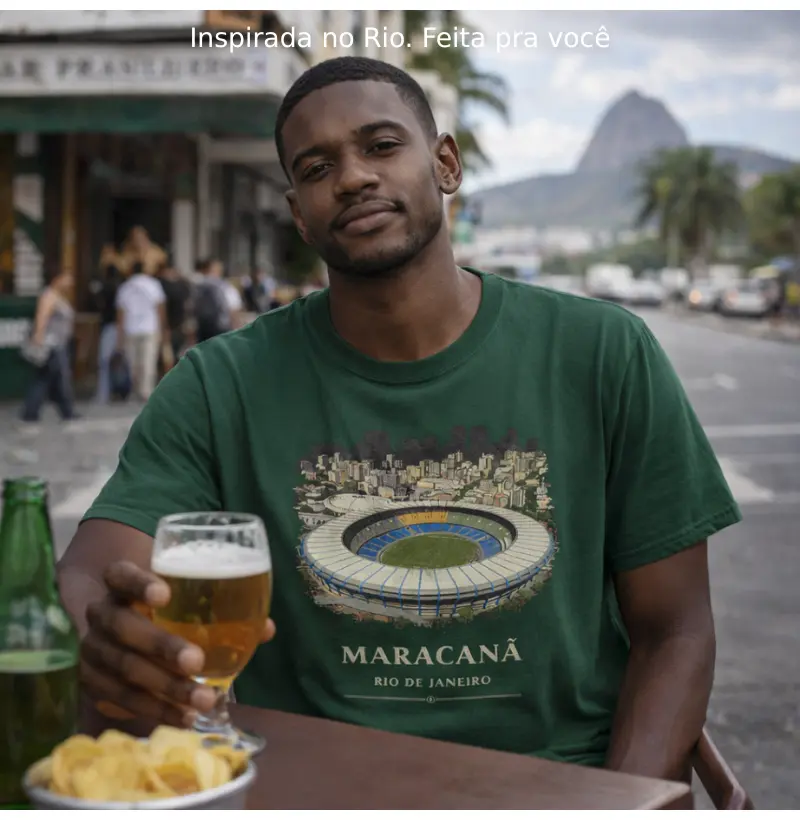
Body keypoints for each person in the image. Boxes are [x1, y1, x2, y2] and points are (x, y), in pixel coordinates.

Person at [58, 57, 741, 791]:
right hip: (307, 792)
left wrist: (617, 806)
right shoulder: (219, 383)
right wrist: (109, 630)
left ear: (445, 163)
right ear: (298, 212)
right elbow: (94, 567)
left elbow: (675, 631)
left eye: (381, 146)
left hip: (552, 788)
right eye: (317, 167)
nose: (351, 177)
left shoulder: (603, 351)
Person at [20, 269, 79, 425]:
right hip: (51, 344)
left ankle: (65, 410)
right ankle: (33, 412)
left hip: (59, 343)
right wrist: (38, 338)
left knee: (54, 379)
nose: (70, 282)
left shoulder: (60, 297)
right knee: (46, 378)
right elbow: (41, 317)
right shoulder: (49, 296)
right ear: (57, 278)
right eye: (67, 278)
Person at [115, 263, 167, 401]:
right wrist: (163, 328)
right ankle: (146, 392)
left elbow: (121, 314)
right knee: (148, 362)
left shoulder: (125, 287)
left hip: (130, 329)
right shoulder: (153, 285)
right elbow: (160, 308)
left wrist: (119, 337)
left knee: (133, 363)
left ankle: (134, 391)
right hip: (150, 328)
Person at [92, 246, 127, 404]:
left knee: (105, 362)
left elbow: (97, 304)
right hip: (124, 327)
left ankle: (104, 394)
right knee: (123, 362)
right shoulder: (123, 287)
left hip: (110, 326)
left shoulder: (105, 287)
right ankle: (122, 392)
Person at [192, 258, 242, 342]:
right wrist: (237, 327)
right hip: (222, 328)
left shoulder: (197, 285)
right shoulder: (224, 286)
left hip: (202, 327)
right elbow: (233, 308)